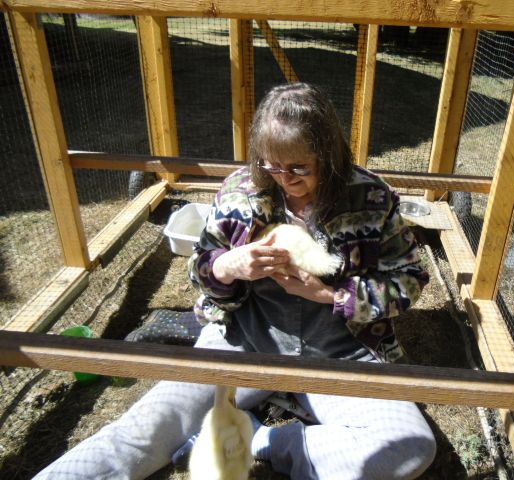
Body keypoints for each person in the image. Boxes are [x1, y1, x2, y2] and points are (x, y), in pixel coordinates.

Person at [35, 83, 436, 480]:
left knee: (408, 447)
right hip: (242, 341)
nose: (285, 179)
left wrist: (332, 295)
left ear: (328, 154)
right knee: (146, 427)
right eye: (272, 165)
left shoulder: (371, 196)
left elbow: (410, 278)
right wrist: (227, 267)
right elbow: (201, 265)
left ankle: (263, 439)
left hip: (340, 351)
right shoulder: (239, 192)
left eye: (299, 167)